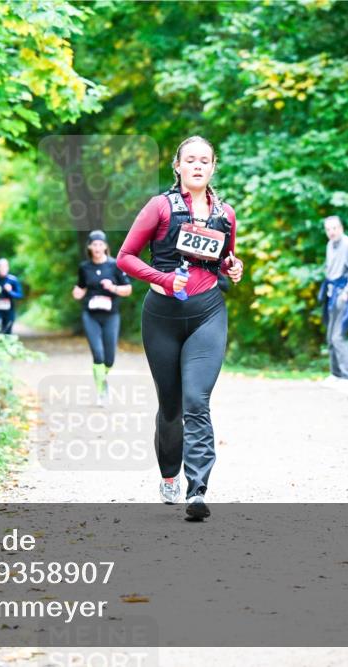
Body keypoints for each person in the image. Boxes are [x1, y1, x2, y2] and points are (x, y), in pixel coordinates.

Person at [116, 135, 243, 521]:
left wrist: (233, 268)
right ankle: (169, 476)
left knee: (196, 401)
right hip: (162, 317)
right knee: (170, 408)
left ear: (213, 167)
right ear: (178, 166)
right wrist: (164, 278)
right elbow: (125, 258)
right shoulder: (160, 207)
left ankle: (198, 490)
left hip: (207, 313)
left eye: (205, 160)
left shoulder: (226, 213)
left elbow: (224, 259)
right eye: (191, 160)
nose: (198, 166)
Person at [72, 230, 133, 406]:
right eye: (94, 244)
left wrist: (113, 287)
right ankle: (101, 391)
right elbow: (81, 287)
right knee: (97, 354)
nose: (97, 247)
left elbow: (128, 290)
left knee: (109, 359)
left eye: (100, 244)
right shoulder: (84, 267)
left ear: (105, 246)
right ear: (89, 247)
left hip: (111, 315)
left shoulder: (115, 265)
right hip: (90, 315)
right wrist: (77, 292)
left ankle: (103, 378)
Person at [317, 215, 348, 388]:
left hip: (344, 294)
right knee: (330, 337)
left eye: (334, 228)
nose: (331, 232)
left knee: (338, 335)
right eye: (328, 229)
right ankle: (335, 374)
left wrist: (347, 292)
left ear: (341, 228)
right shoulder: (330, 245)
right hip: (332, 294)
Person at [0, 258, 23, 334]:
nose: (2, 269)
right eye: (0, 266)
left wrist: (10, 291)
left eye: (4, 266)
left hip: (9, 309)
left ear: (8, 268)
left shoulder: (13, 280)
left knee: (7, 330)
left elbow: (20, 295)